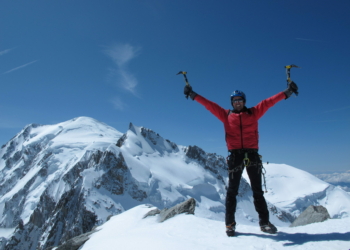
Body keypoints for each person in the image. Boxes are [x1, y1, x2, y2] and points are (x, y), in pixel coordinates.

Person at [183, 81, 298, 236]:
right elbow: (209, 105)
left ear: (244, 101)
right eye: (235, 101)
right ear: (232, 103)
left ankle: (264, 223)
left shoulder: (254, 112)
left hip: (252, 155)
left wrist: (286, 92)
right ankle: (230, 225)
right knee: (232, 191)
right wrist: (193, 94)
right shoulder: (225, 115)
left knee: (257, 191)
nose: (238, 103)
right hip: (235, 156)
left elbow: (269, 102)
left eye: (240, 100)